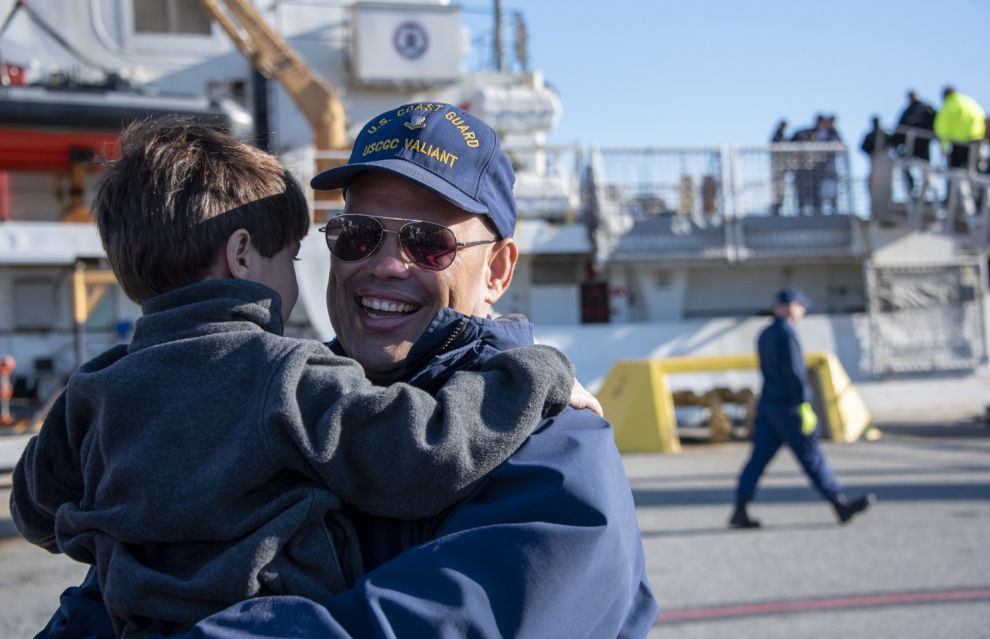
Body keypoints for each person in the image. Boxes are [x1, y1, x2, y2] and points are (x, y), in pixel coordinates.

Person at [39, 103, 658, 638]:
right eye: (357, 234)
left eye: (428, 242)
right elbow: (116, 575)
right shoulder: (279, 395)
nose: (386, 264)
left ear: (496, 271)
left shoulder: (552, 445)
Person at [729, 287, 875, 529]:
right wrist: (804, 406)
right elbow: (796, 374)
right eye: (800, 306)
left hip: (768, 406)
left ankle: (740, 508)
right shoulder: (788, 334)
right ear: (789, 307)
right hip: (789, 408)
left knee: (757, 461)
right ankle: (839, 504)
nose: (803, 311)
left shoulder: (765, 334)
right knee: (812, 458)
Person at [891, 90, 937, 193]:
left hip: (918, 143)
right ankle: (926, 187)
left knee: (919, 165)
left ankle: (928, 187)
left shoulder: (911, 111)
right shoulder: (924, 108)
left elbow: (900, 128)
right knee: (923, 166)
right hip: (918, 143)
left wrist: (895, 142)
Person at [934, 86, 986, 170]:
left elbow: (943, 128)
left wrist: (944, 148)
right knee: (974, 170)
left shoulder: (949, 105)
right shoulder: (970, 102)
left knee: (954, 171)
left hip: (960, 142)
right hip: (976, 139)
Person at [860, 115, 891, 199]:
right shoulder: (870, 136)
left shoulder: (884, 134)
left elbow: (891, 144)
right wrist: (871, 154)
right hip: (874, 160)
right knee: (873, 180)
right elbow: (863, 147)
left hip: (884, 161)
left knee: (885, 180)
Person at [770, 119, 789, 215]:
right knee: (778, 188)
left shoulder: (781, 135)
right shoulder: (777, 135)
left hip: (781, 166)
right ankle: (776, 208)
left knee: (781, 188)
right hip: (777, 166)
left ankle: (778, 207)